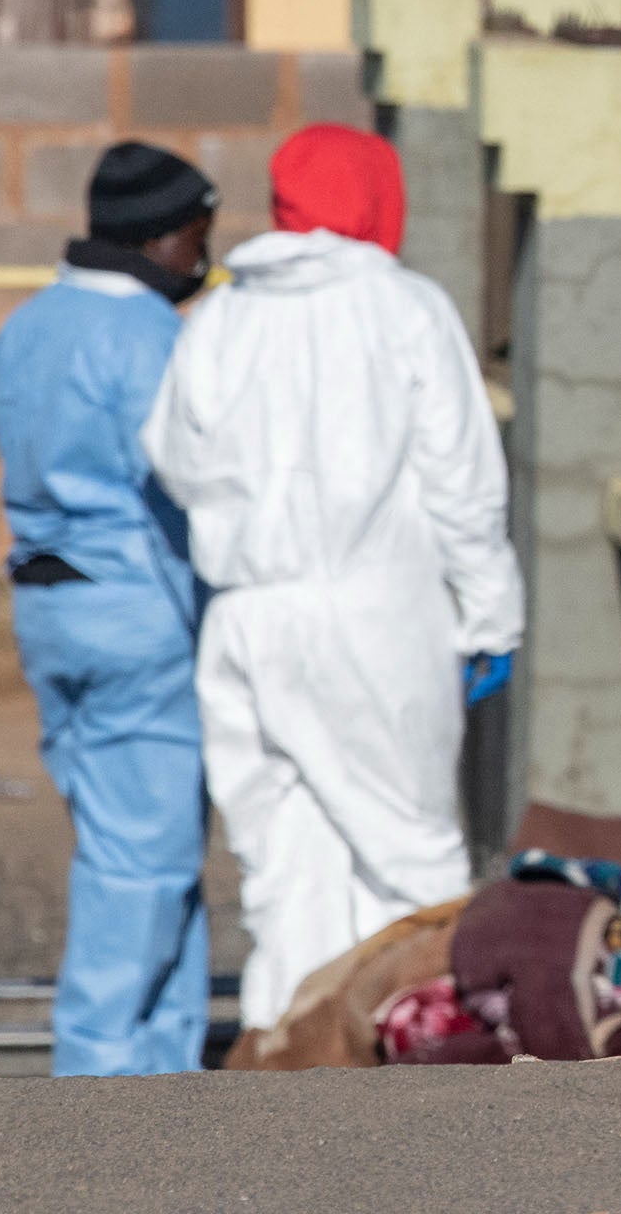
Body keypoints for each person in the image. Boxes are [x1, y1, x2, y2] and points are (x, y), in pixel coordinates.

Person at [140, 124, 522, 1034]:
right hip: (378, 615)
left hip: (247, 619)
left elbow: (171, 457)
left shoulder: (224, 316)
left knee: (286, 864)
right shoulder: (406, 307)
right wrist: (491, 616)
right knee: (412, 854)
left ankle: (294, 1071)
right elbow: (463, 478)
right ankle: (425, 1047)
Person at [0, 143, 219, 1076]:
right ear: (164, 236)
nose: (206, 253)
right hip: (137, 612)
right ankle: (95, 1080)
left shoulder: (28, 326)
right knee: (142, 865)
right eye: (200, 232)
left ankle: (165, 1066)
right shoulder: (154, 340)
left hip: (50, 611)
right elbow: (190, 477)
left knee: (129, 841)